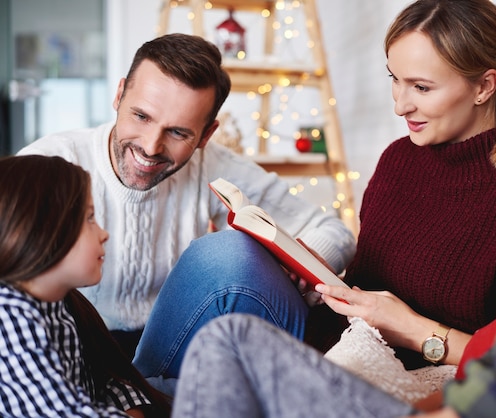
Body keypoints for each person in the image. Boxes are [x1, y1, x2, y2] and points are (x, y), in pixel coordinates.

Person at [169, 4, 496, 417]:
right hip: (338, 343)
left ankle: (140, 393)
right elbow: (373, 278)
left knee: (223, 342)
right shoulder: (398, 159)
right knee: (227, 258)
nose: (400, 104)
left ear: (484, 85)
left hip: (411, 380)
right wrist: (312, 274)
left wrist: (412, 329)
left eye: (421, 87)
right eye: (394, 78)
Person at [17, 33, 357, 359]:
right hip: (72, 344)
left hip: (168, 345)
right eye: (141, 116)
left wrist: (301, 261)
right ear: (119, 95)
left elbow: (336, 231)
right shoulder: (53, 162)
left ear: (206, 134)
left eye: (178, 132)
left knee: (230, 249)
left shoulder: (215, 165)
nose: (150, 147)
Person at [0, 155, 171, 417]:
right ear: (41, 231)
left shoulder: (61, 304)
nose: (104, 234)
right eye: (90, 218)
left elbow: (101, 378)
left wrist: (132, 408)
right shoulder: (9, 316)